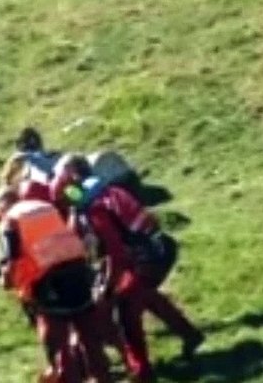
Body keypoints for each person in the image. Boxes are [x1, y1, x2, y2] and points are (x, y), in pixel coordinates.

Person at [51, 158, 203, 383]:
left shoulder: (97, 208)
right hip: (155, 250)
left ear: (74, 184)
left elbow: (115, 253)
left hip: (148, 256)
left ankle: (142, 372)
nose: (66, 204)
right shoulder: (104, 193)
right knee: (143, 295)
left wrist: (107, 288)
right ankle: (190, 335)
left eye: (67, 196)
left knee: (127, 309)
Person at [0, 185, 112, 383]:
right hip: (80, 274)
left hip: (50, 285)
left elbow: (10, 264)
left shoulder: (10, 221)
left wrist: (5, 281)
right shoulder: (44, 206)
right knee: (90, 342)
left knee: (58, 349)